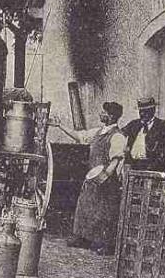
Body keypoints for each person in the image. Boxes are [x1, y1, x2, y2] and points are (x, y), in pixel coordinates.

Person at [53, 102, 127, 255]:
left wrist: (106, 175)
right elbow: (80, 136)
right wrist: (60, 126)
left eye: (103, 112)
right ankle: (83, 237)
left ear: (111, 116)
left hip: (106, 180)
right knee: (85, 206)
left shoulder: (117, 136)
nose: (101, 114)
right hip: (93, 177)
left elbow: (116, 158)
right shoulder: (98, 131)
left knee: (104, 212)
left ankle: (104, 243)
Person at [122, 97, 165, 174]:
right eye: (141, 111)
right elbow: (119, 134)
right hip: (135, 167)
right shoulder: (134, 124)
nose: (142, 114)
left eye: (146, 111)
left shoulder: (164, 126)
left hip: (156, 169)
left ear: (153, 110)